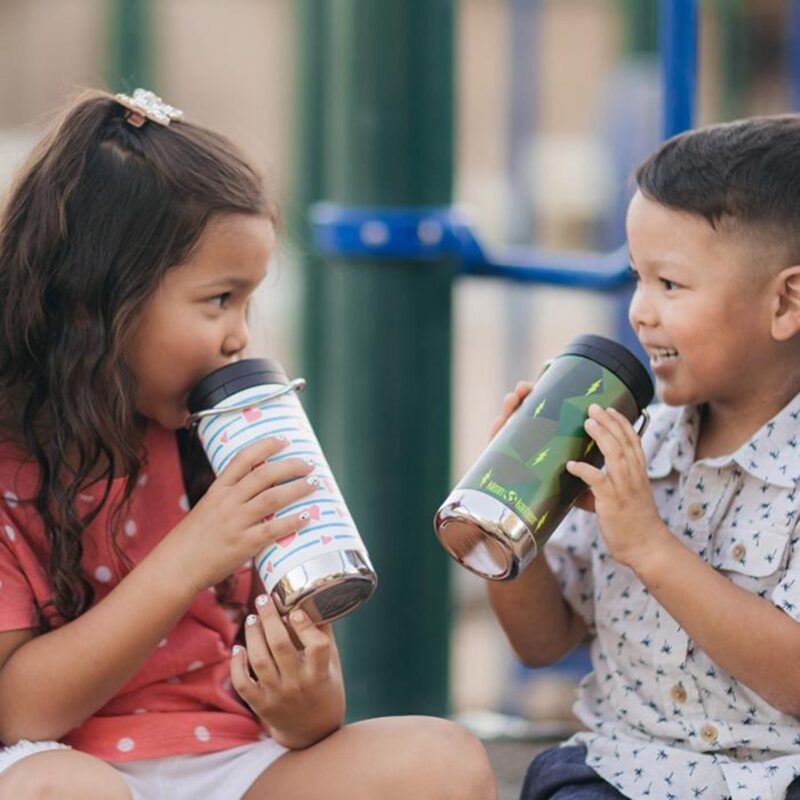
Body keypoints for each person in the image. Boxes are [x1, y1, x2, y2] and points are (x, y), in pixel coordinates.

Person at [0, 88, 496, 800]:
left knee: (443, 760)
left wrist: (306, 699)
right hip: (69, 763)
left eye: (248, 301)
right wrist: (189, 554)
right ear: (96, 300)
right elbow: (20, 711)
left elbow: (311, 720)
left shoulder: (222, 448)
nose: (239, 335)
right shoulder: (12, 463)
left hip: (233, 764)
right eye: (218, 300)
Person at [488, 116, 800, 800]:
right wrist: (508, 524)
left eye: (671, 285)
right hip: (624, 773)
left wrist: (651, 547)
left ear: (785, 300)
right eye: (636, 277)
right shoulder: (639, 440)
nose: (639, 312)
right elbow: (545, 642)